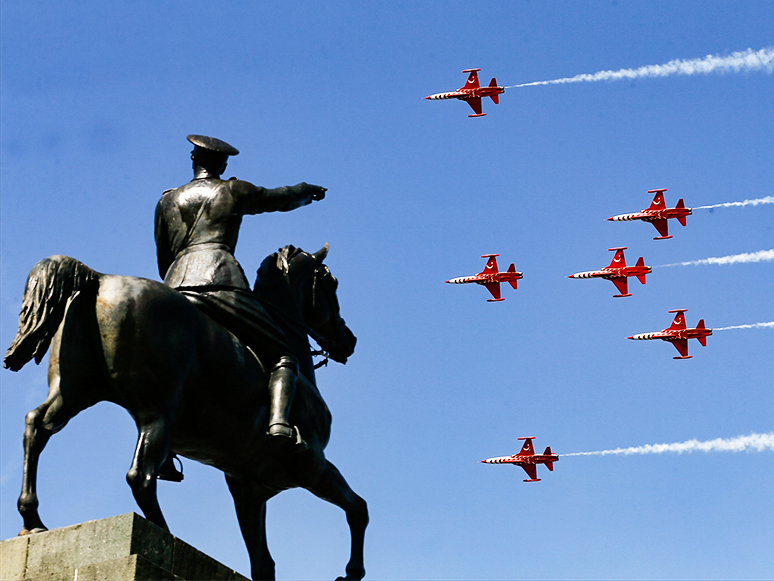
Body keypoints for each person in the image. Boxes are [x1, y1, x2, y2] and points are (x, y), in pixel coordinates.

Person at [154, 135, 326, 472]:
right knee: (282, 354)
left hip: (175, 286)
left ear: (193, 158)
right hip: (221, 281)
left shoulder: (166, 201)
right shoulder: (233, 190)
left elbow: (164, 255)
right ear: (224, 164)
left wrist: (176, 285)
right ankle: (278, 423)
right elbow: (280, 198)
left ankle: (162, 448)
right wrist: (307, 191)